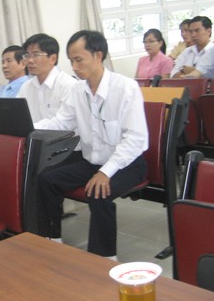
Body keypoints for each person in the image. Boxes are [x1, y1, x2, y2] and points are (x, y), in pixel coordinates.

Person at [35, 30, 148, 259]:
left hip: (126, 164)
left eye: (79, 60)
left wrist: (106, 172)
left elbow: (136, 139)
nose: (74, 67)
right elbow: (61, 122)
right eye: (71, 61)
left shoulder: (125, 88)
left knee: (99, 192)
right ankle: (52, 239)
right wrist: (27, 127)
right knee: (46, 179)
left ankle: (104, 258)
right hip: (92, 161)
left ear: (98, 55)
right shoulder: (78, 90)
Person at [17, 33, 79, 124]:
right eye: (27, 55)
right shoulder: (26, 87)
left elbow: (64, 123)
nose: (30, 60)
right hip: (33, 133)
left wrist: (30, 128)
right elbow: (18, 115)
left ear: (53, 59)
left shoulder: (68, 85)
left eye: (36, 55)